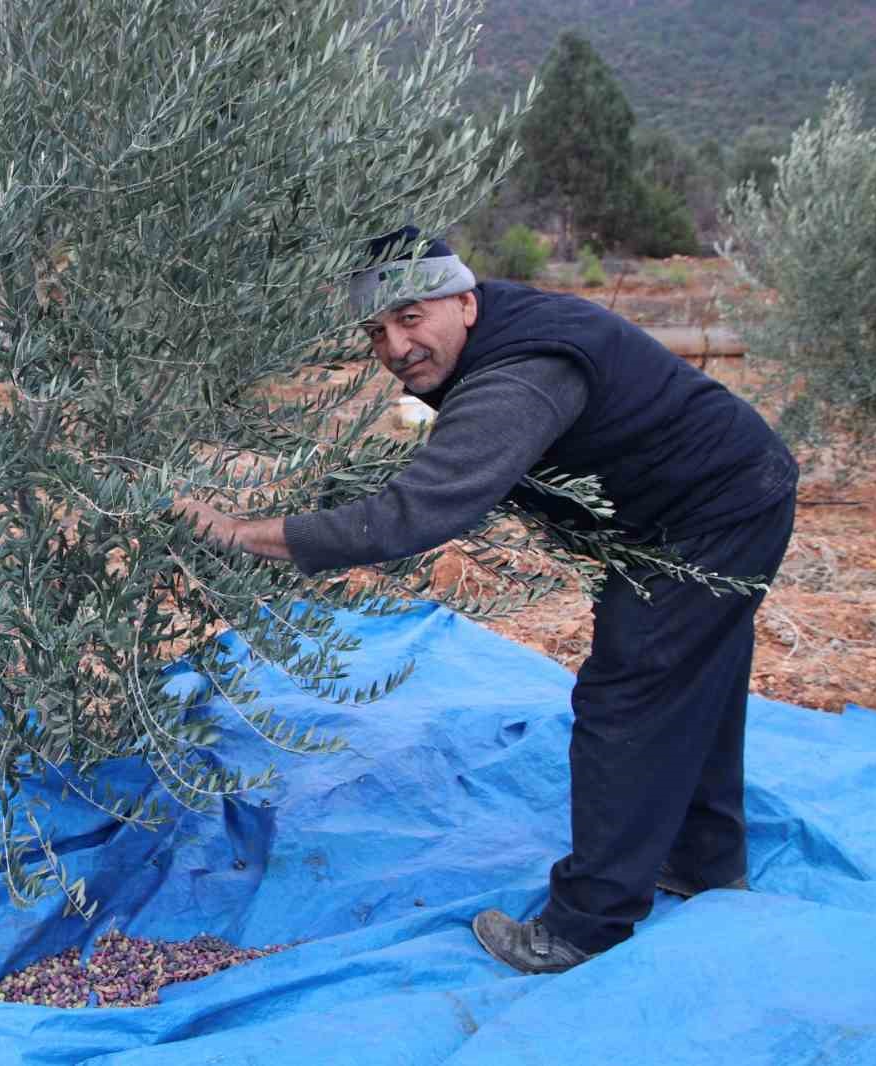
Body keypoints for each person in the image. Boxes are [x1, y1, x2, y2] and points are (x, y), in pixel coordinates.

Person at [171, 228, 798, 974]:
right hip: (692, 501)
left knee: (629, 699)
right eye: (376, 330)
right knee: (698, 682)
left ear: (465, 302)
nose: (397, 347)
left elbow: (416, 514)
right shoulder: (493, 337)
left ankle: (584, 926)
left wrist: (244, 534)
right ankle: (704, 861)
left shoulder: (521, 376)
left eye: (412, 318)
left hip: (712, 512)